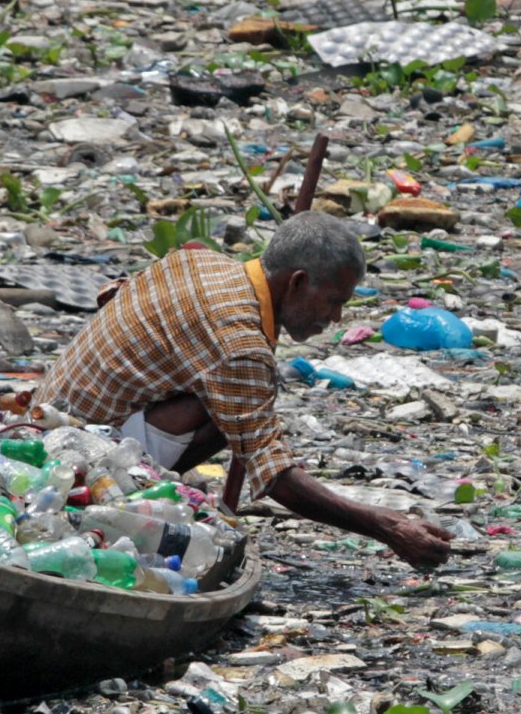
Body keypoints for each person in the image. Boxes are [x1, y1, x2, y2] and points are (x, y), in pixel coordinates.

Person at [36, 211, 452, 571]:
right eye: (332, 301)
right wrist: (386, 526)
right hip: (75, 458)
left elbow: (112, 293)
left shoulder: (199, 261)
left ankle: (156, 475)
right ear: (297, 282)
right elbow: (275, 476)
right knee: (236, 410)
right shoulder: (241, 345)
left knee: (236, 402)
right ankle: (137, 490)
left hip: (42, 416)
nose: (336, 317)